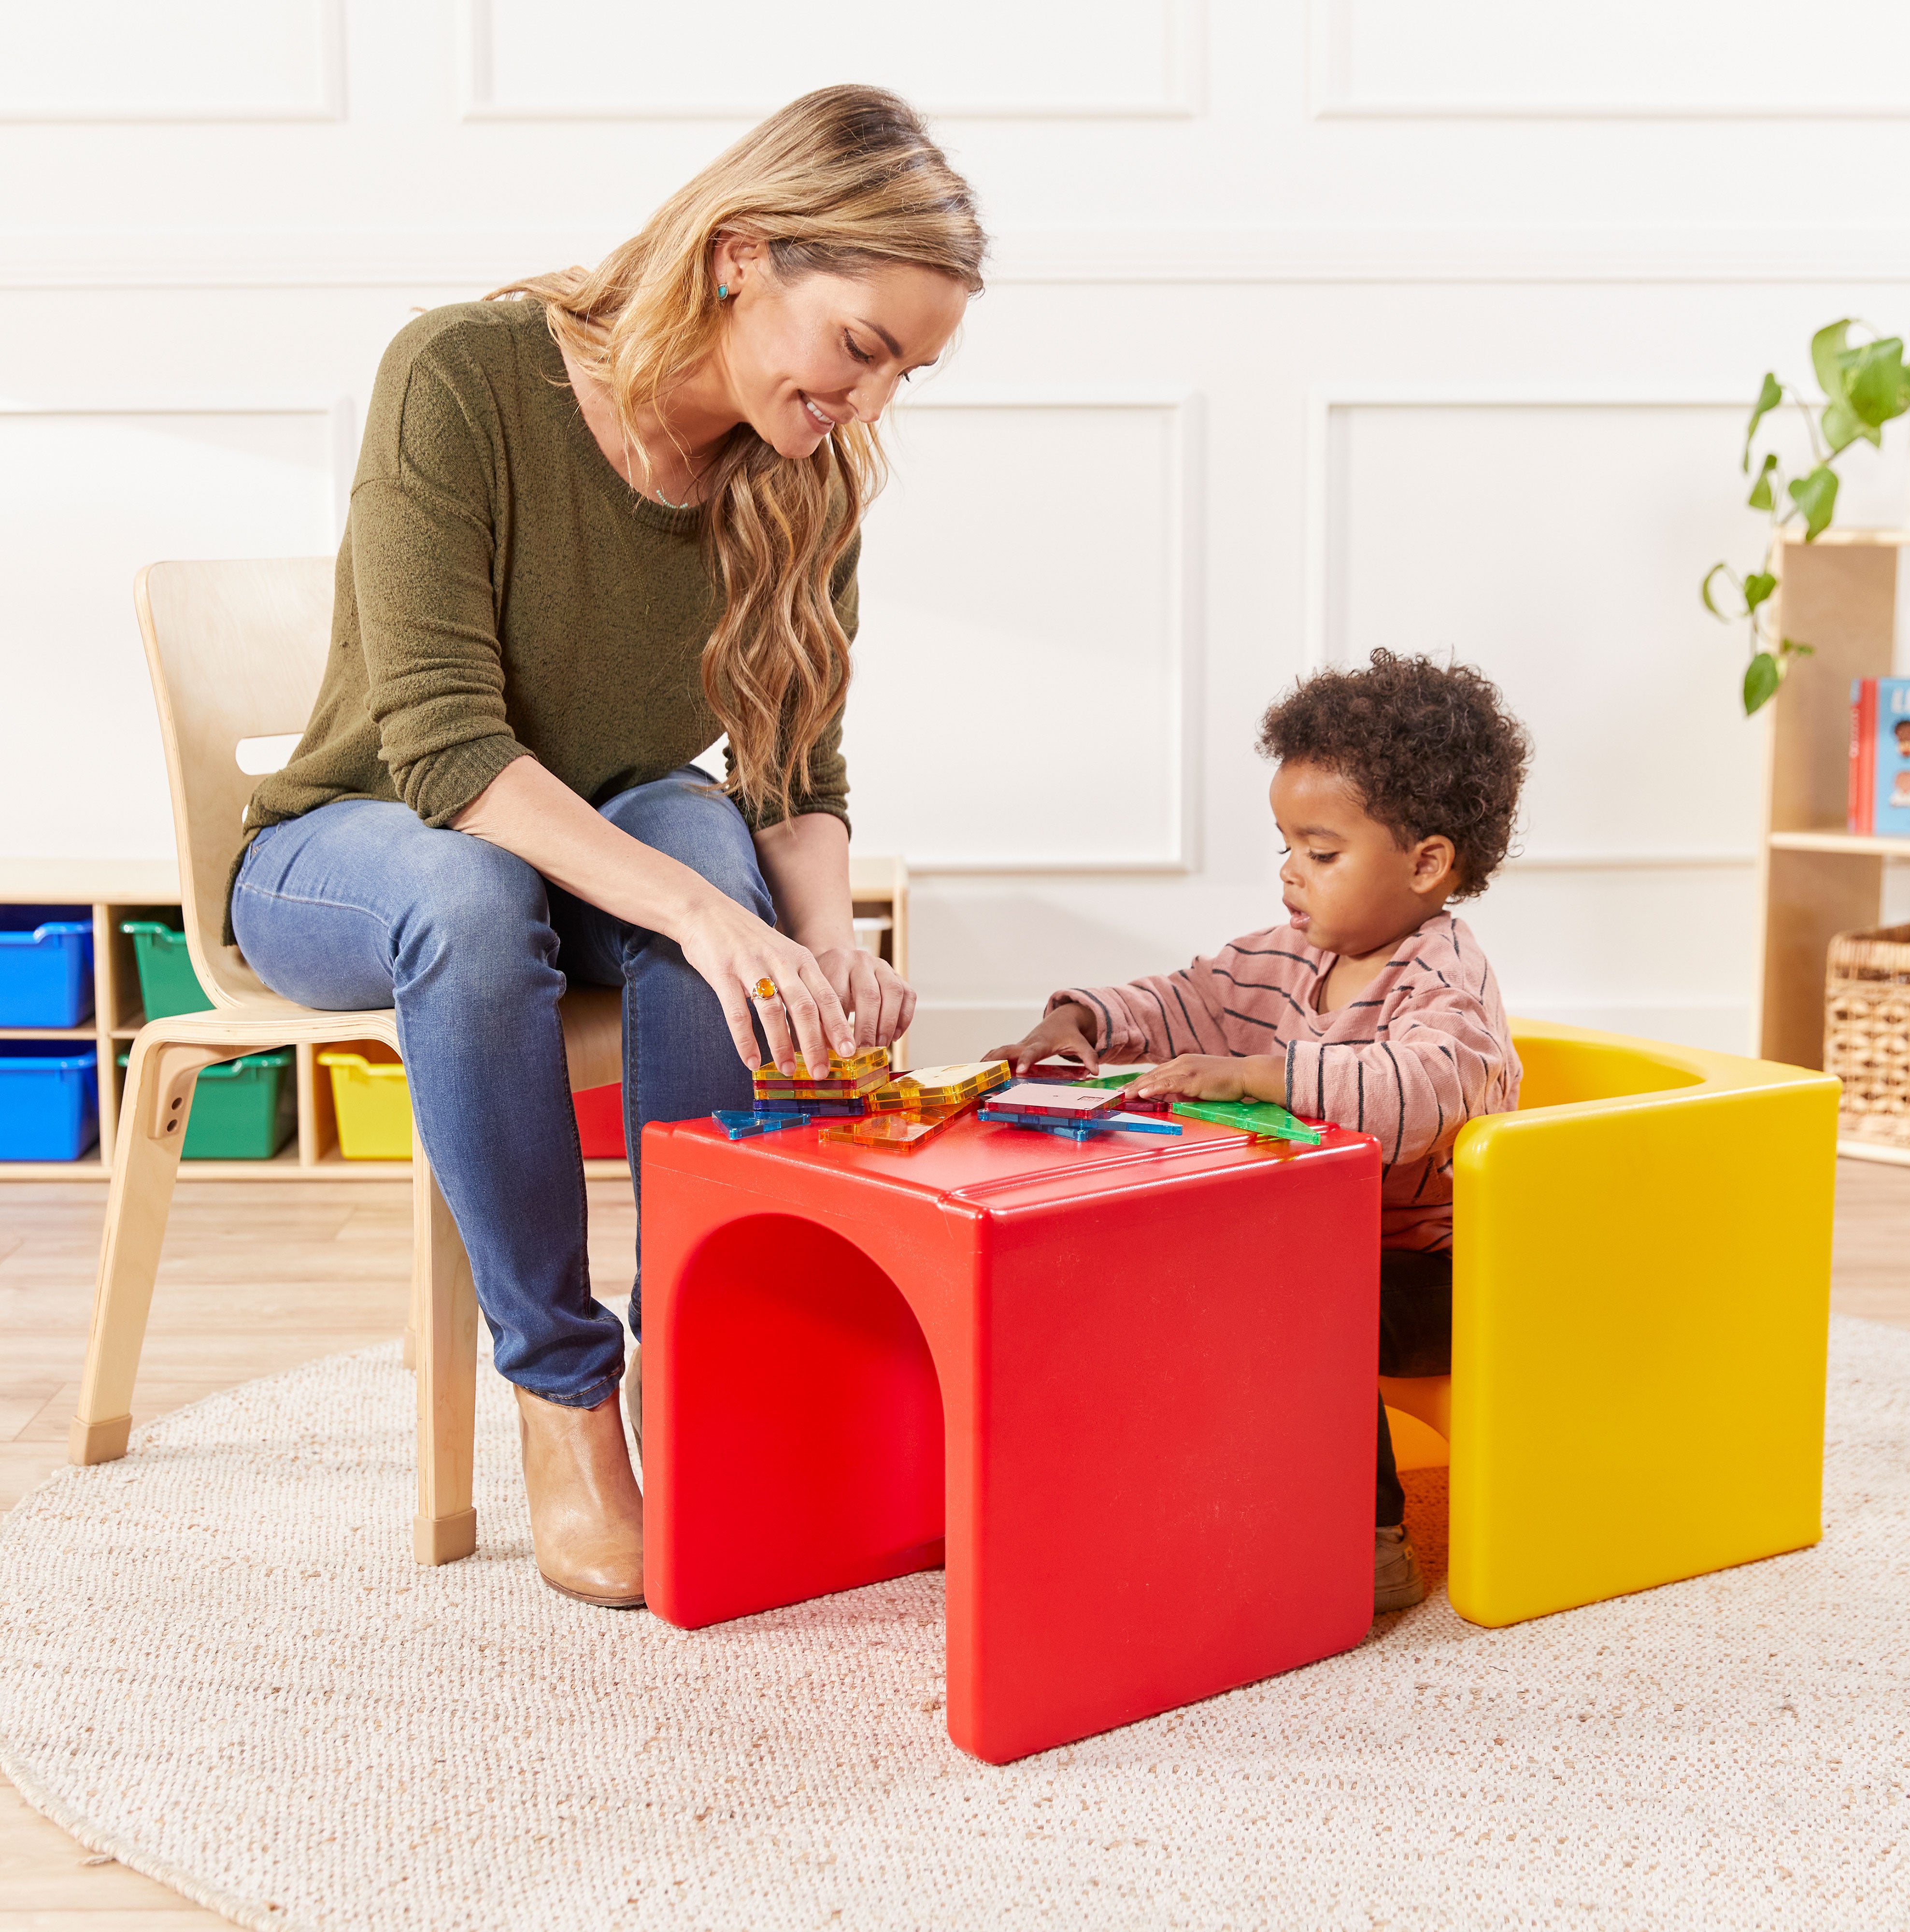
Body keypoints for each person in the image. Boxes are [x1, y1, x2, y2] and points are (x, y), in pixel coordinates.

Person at [228, 87, 985, 1608]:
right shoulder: (465, 376)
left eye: (909, 368)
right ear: (742, 256)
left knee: (707, 841)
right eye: (862, 346)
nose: (876, 399)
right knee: (482, 890)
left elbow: (793, 767)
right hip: (356, 855)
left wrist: (827, 949)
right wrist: (713, 920)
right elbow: (444, 755)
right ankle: (567, 1402)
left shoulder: (805, 474)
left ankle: (696, 1376)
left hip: (575, 868)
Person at [988, 651, 1531, 1614]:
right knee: (1193, 1262)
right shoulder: (1286, 957)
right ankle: (1206, 1486)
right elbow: (1184, 999)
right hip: (1337, 1249)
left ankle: (1366, 1539)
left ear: (1425, 862)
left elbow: (1421, 1093)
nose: (1289, 873)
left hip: (1453, 1275)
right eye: (1284, 845)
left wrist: (1261, 1073)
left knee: (1302, 1285)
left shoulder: (1443, 980)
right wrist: (1079, 1020)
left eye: (1320, 854)